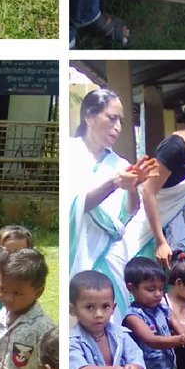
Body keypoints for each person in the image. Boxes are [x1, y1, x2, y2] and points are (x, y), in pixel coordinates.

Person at [108, 89, 185, 313]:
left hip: (178, 225)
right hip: (147, 223)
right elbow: (148, 192)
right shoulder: (174, 147)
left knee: (177, 282)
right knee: (142, 280)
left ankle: (169, 333)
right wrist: (161, 241)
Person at [68, 88, 156, 306]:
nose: (117, 127)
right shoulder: (70, 153)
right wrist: (113, 183)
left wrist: (133, 185)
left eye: (121, 121)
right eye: (111, 118)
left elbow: (129, 212)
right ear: (89, 116)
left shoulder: (120, 164)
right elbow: (73, 206)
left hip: (109, 253)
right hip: (78, 248)